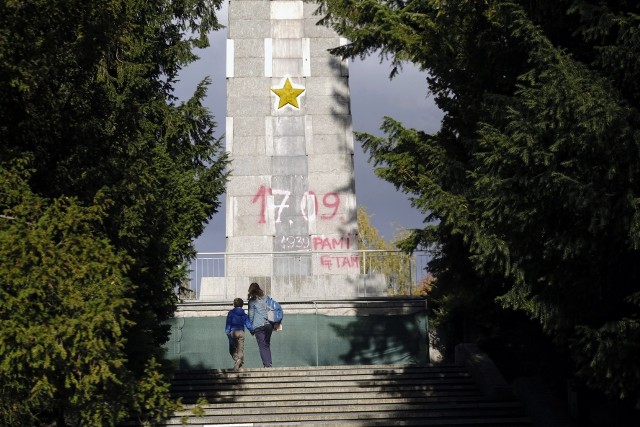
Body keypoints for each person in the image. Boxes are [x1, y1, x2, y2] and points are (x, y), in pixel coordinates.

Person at [247, 282, 275, 367]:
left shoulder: (252, 302)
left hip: (258, 326)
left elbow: (251, 316)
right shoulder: (266, 298)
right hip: (269, 324)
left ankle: (267, 364)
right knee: (267, 344)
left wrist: (251, 328)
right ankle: (269, 362)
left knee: (262, 345)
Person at [225, 297, 254, 370]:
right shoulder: (243, 314)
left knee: (232, 350)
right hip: (241, 332)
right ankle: (239, 365)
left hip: (233, 332)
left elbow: (228, 323)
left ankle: (237, 359)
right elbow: (248, 323)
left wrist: (227, 331)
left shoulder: (231, 313)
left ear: (234, 304)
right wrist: (252, 331)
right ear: (242, 305)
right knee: (240, 350)